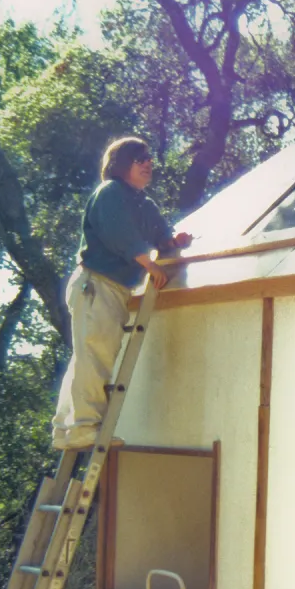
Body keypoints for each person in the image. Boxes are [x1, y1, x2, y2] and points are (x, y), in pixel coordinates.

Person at [50, 137, 191, 452]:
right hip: (96, 283)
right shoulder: (110, 193)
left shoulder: (144, 203)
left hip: (113, 288)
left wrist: (174, 241)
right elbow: (120, 235)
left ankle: (66, 430)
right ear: (120, 163)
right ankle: (84, 428)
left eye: (150, 159)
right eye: (139, 158)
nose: (147, 164)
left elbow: (161, 236)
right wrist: (149, 265)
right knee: (95, 355)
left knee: (87, 357)